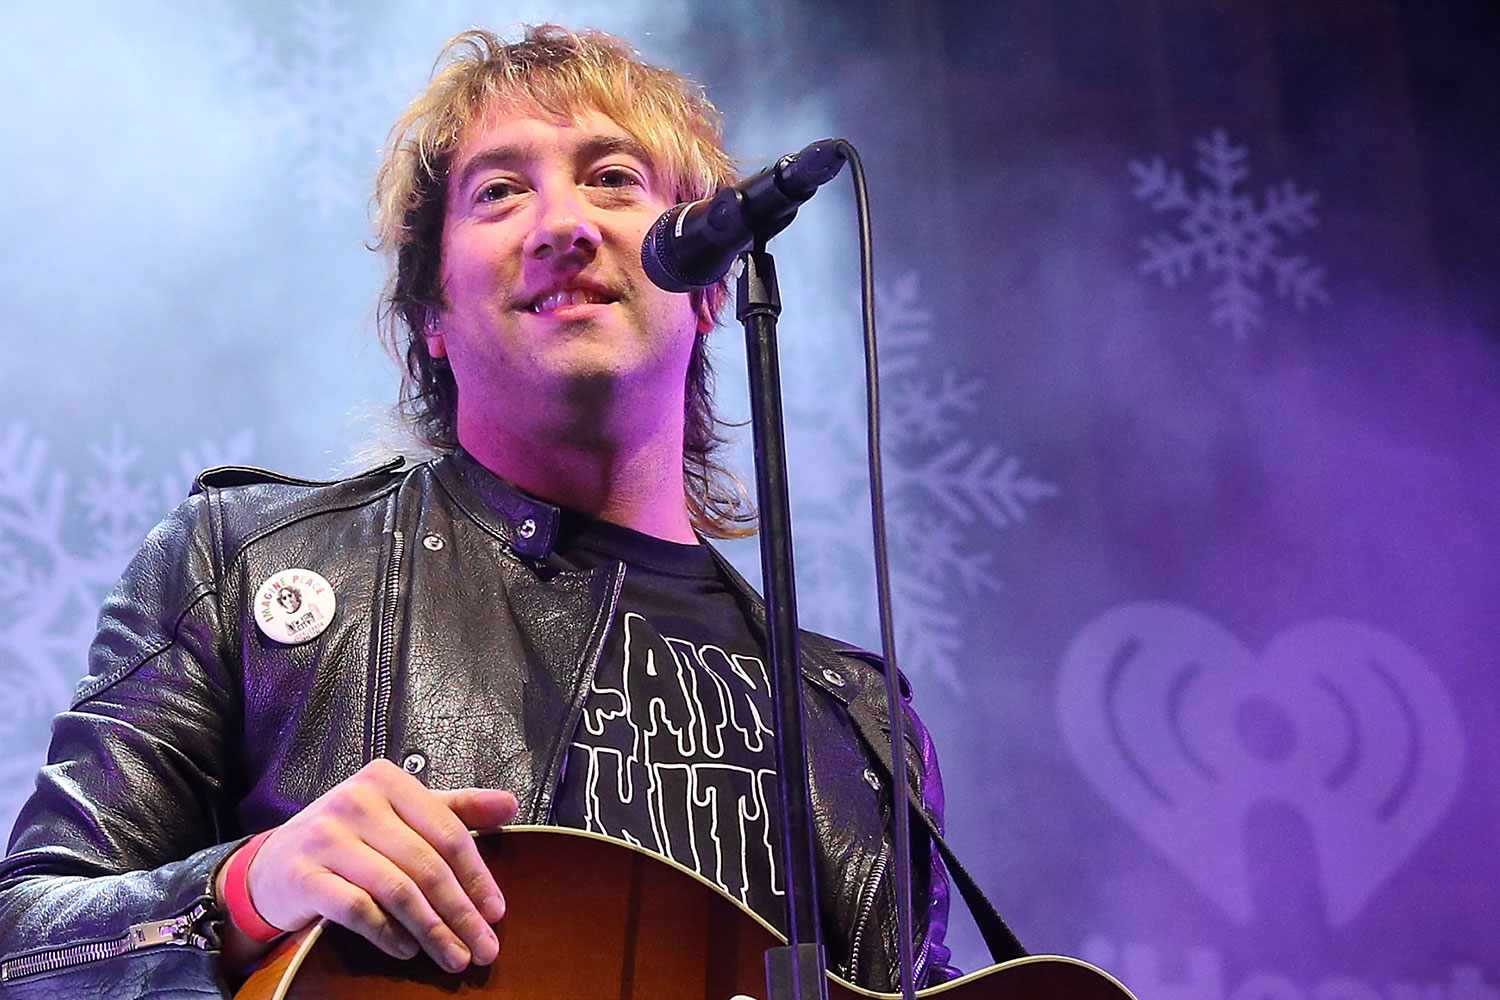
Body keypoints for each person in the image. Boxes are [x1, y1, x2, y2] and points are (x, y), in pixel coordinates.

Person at [0, 25, 969, 997]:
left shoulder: (859, 718)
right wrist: (245, 888)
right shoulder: (237, 560)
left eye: (615, 179)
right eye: (501, 191)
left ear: (711, 286)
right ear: (430, 313)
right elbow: (20, 944)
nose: (563, 225)